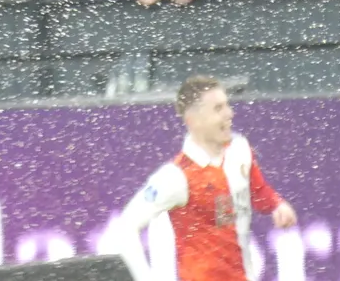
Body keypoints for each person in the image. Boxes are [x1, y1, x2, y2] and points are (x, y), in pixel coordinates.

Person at [117, 75, 298, 281]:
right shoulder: (176, 176)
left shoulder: (239, 149)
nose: (230, 113)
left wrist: (276, 204)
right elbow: (125, 228)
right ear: (193, 121)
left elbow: (256, 190)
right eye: (218, 109)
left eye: (227, 105)